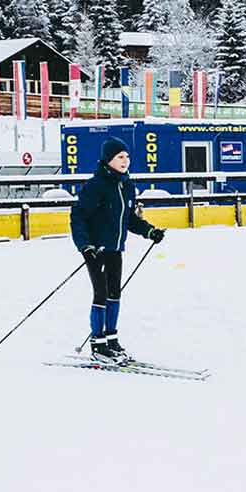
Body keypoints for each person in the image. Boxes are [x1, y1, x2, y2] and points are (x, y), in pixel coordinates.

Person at [70, 136, 165, 363]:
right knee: (100, 293)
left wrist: (149, 231)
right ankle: (98, 343)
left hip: (115, 248)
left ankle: (111, 340)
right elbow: (78, 217)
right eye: (120, 157)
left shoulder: (126, 185)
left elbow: (129, 219)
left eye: (127, 157)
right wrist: (85, 245)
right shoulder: (95, 186)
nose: (125, 161)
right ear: (108, 160)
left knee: (115, 293)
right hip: (96, 249)